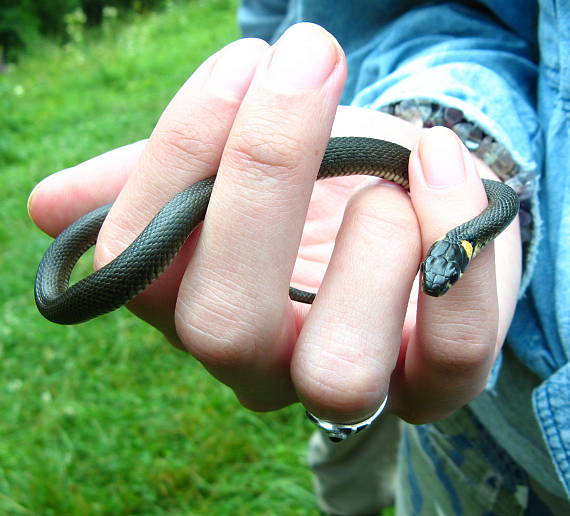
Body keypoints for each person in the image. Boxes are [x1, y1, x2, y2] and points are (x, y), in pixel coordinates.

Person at [28, 1, 570, 514]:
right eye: (437, 270)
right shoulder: (479, 216)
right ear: (459, 249)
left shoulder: (478, 225)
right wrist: (465, 144)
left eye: (439, 275)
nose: (435, 277)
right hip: (500, 449)